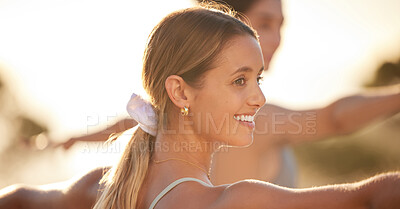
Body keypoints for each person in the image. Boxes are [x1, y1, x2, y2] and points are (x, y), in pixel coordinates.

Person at [1, 6, 400, 209]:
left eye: (257, 80)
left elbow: (19, 205)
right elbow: (370, 206)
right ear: (180, 92)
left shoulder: (104, 191)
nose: (259, 98)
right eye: (240, 80)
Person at [53, 0, 400, 189]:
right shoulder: (259, 123)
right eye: (263, 24)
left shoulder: (170, 114)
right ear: (226, 23)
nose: (277, 39)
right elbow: (334, 119)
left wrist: (73, 139)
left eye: (281, 26)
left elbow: (133, 122)